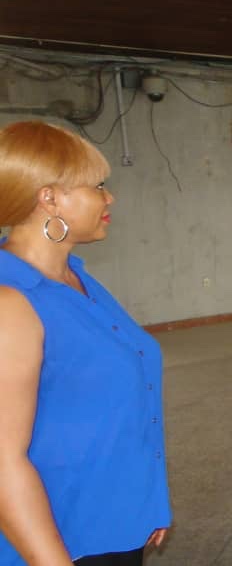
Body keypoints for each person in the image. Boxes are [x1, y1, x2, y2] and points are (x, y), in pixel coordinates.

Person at [0, 121, 171, 564]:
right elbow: (3, 462)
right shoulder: (11, 302)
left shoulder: (75, 278)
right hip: (59, 538)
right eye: (97, 187)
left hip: (112, 521)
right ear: (49, 198)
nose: (109, 198)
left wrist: (145, 501)